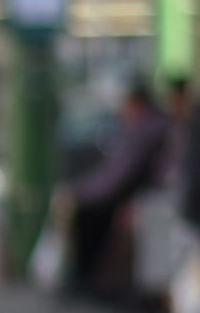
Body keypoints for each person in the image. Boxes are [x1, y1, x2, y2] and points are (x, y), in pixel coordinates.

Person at [68, 80, 171, 297]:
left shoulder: (148, 129)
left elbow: (119, 174)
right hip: (138, 195)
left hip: (148, 198)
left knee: (89, 215)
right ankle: (90, 279)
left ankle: (87, 279)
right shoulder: (145, 128)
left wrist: (83, 193)